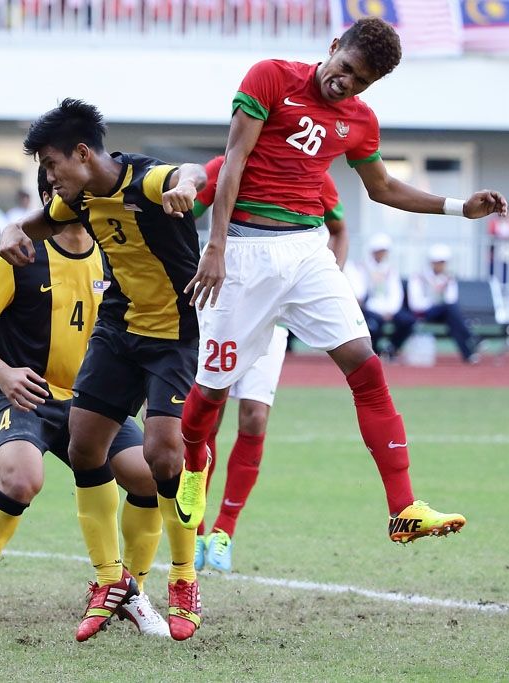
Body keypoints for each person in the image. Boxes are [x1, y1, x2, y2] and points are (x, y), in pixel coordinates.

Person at [176, 17, 507, 546]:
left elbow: (382, 187)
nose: (347, 84)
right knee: (212, 391)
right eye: (347, 69)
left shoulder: (359, 120)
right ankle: (194, 465)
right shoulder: (270, 76)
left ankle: (403, 507)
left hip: (308, 252)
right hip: (243, 251)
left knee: (365, 363)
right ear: (333, 48)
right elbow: (232, 162)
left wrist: (457, 207)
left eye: (362, 81)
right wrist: (215, 246)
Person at [0, 99, 208, 642]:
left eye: (51, 164)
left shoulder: (149, 180)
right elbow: (39, 223)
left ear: (83, 153)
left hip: (174, 335)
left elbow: (194, 172)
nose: (48, 177)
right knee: (84, 447)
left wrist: (187, 185)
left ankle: (183, 575)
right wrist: (12, 230)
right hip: (118, 329)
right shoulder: (80, 198)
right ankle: (110, 580)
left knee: (164, 454)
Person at [0, 168, 171, 639]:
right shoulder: (20, 255)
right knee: (21, 479)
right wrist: (2, 373)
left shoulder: (112, 259)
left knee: (151, 474)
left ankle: (127, 590)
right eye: (71, 193)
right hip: (26, 396)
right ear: (50, 198)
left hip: (93, 401)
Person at [190, 155, 349, 573]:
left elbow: (338, 230)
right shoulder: (225, 165)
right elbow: (185, 211)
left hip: (272, 319)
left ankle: (224, 531)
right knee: (209, 416)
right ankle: (194, 529)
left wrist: (318, 286)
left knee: (255, 417)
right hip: (222, 309)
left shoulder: (313, 172)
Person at [346, 233, 416, 358]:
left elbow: (396, 293)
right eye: (379, 251)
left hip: (389, 309)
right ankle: (375, 353)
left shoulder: (390, 270)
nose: (382, 254)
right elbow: (361, 293)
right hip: (370, 309)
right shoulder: (362, 268)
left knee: (408, 321)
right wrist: (378, 310)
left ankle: (392, 348)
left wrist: (390, 310)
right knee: (373, 325)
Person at [407, 244, 479, 363]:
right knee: (450, 311)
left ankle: (468, 354)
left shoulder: (448, 278)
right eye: (438, 262)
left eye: (443, 262)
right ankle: (471, 338)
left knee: (452, 317)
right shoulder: (419, 277)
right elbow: (416, 304)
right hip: (425, 314)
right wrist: (436, 301)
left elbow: (452, 299)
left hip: (444, 314)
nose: (441, 265)